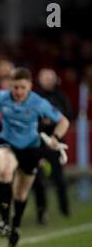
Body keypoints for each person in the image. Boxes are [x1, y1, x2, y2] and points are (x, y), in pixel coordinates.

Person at [0, 67, 70, 247]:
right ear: (10, 86)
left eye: (22, 88)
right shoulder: (2, 97)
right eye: (15, 87)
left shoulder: (38, 102)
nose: (18, 92)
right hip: (7, 143)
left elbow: (63, 121)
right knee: (5, 170)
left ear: (30, 87)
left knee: (20, 193)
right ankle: (3, 220)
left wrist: (55, 138)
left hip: (30, 149)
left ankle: (15, 226)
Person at [33, 68, 74, 223]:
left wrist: (55, 126)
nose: (48, 80)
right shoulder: (35, 98)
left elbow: (67, 116)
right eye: (45, 77)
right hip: (38, 143)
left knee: (59, 177)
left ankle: (64, 208)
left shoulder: (61, 97)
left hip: (56, 142)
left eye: (51, 77)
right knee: (38, 178)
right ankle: (41, 212)